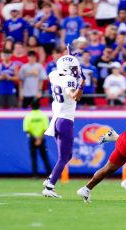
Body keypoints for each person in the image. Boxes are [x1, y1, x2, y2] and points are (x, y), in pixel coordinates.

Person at [42, 54, 86, 198]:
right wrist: (82, 82)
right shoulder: (69, 79)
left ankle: (50, 178)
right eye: (73, 68)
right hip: (65, 120)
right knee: (63, 157)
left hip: (56, 119)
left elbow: (62, 78)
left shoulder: (54, 75)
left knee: (68, 155)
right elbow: (75, 96)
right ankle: (50, 186)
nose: (76, 70)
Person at [23, 100, 51, 178]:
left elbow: (26, 129)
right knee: (45, 157)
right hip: (41, 139)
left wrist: (35, 139)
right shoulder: (43, 116)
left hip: (32, 139)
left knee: (33, 157)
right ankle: (50, 174)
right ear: (39, 106)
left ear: (31, 106)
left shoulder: (28, 116)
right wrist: (39, 138)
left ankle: (35, 175)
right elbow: (45, 128)